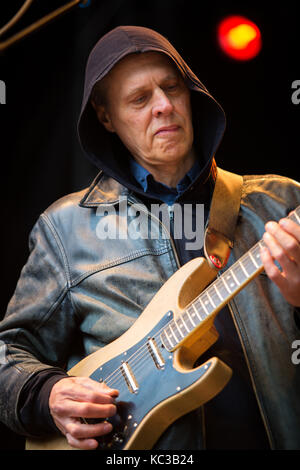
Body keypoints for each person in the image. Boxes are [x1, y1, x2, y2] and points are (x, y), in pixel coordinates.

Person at [0, 25, 299, 451]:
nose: (163, 106)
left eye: (172, 88)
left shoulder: (282, 202)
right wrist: (45, 395)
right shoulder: (66, 228)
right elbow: (9, 351)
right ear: (106, 117)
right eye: (140, 99)